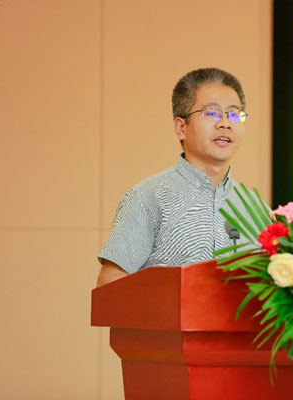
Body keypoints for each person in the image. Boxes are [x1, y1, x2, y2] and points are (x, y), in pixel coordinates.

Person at [96, 68, 252, 287]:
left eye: (234, 114)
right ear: (181, 127)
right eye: (212, 113)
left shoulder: (255, 210)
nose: (225, 123)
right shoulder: (147, 198)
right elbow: (109, 284)